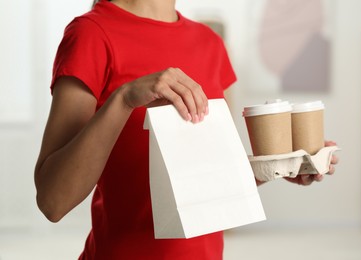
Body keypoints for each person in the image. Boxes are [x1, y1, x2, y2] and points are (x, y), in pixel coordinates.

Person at [34, 0, 338, 259]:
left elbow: (209, 177)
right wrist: (124, 99)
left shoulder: (210, 44)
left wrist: (278, 166)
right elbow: (53, 202)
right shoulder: (91, 34)